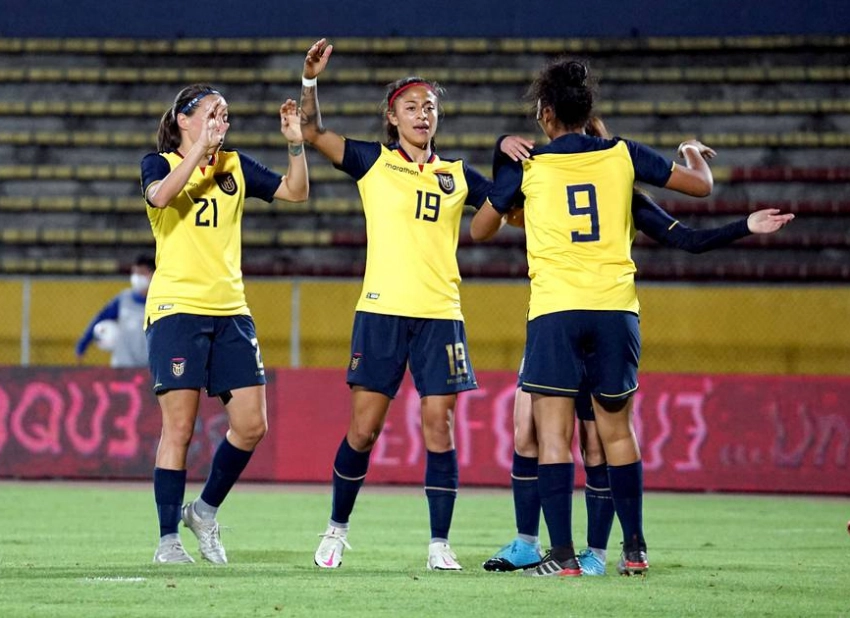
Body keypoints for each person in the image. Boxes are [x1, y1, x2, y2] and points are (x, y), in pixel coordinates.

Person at [482, 117, 795, 575]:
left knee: (575, 440)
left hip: (557, 314)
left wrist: (498, 150)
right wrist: (740, 219)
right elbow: (690, 229)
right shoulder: (563, 170)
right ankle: (556, 545)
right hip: (607, 313)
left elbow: (485, 222)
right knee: (548, 432)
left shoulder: (550, 172)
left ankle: (584, 553)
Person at [470, 58, 726, 577]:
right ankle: (633, 551)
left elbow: (479, 231)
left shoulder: (532, 165)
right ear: (589, 112)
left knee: (552, 432)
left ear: (545, 114)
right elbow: (700, 188)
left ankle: (561, 556)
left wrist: (504, 157)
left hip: (557, 310)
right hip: (615, 310)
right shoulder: (623, 156)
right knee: (615, 433)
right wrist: (693, 155)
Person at [298, 38, 497, 571]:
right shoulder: (372, 162)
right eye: (411, 106)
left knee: (441, 426)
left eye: (430, 107)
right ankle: (336, 529)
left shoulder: (458, 175)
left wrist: (514, 180)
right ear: (392, 116)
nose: (422, 115)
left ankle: (439, 544)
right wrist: (310, 80)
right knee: (363, 430)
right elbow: (313, 132)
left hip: (441, 315)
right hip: (382, 311)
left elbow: (502, 213)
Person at [140, 83, 308, 564]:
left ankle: (205, 512)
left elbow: (296, 192)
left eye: (226, 114)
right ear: (183, 121)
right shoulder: (159, 163)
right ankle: (168, 539)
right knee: (180, 428)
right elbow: (161, 199)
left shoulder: (235, 165)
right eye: (212, 113)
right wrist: (199, 151)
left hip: (231, 310)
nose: (221, 121)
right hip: (177, 309)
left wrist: (295, 143)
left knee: (252, 425)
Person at [75, 254, 156, 368]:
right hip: (122, 366)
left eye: (142, 273)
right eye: (135, 273)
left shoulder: (159, 302)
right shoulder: (123, 299)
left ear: (153, 275)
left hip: (149, 367)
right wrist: (82, 346)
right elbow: (100, 319)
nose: (137, 277)